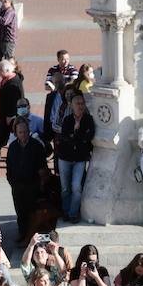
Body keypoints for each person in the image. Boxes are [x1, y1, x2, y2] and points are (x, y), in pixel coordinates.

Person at [56, 94, 95, 224]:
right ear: (71, 106)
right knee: (65, 187)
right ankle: (65, 211)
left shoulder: (89, 120)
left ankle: (73, 213)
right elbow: (65, 138)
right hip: (65, 158)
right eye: (77, 103)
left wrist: (76, 135)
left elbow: (89, 137)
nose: (80, 106)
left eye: (82, 103)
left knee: (76, 186)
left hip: (79, 159)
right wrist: (76, 133)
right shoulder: (67, 120)